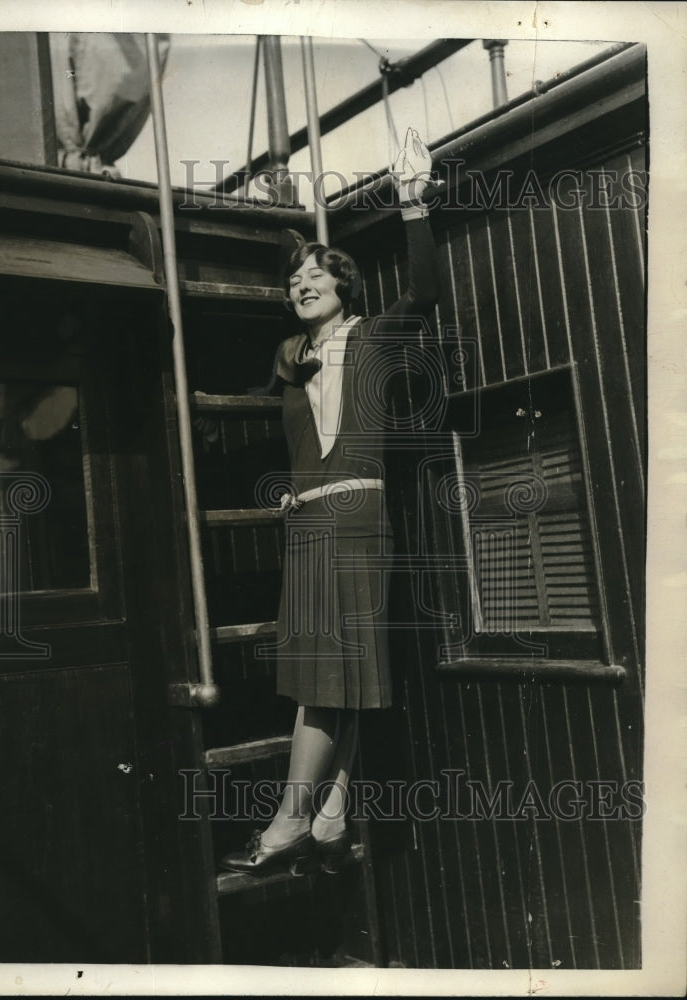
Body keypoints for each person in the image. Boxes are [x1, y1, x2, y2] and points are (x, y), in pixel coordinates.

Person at [220, 128, 441, 875]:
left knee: (332, 671)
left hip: (359, 520)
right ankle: (334, 811)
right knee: (333, 670)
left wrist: (413, 203)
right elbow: (288, 433)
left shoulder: (376, 338)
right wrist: (288, 488)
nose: (300, 285)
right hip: (309, 524)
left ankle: (288, 821)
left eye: (315, 274)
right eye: (293, 281)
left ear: (344, 285)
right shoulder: (289, 358)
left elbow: (426, 291)